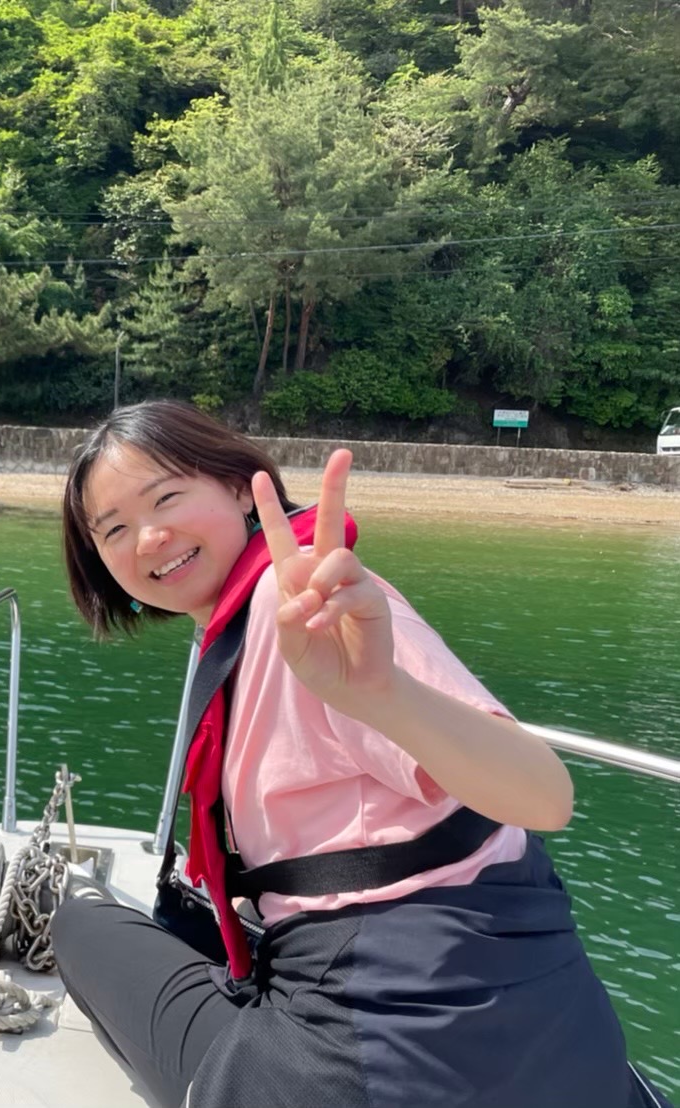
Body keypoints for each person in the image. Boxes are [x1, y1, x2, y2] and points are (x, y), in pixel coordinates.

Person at [52, 400, 671, 1108]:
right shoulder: (252, 625)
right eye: (115, 530)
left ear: (233, 484)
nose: (150, 538)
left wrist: (382, 695)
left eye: (165, 498)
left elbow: (544, 795)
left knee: (83, 922)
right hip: (553, 1035)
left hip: (378, 1053)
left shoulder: (314, 618)